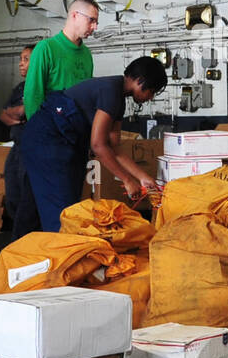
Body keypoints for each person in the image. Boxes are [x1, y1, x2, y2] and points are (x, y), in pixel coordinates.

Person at [23, 57, 166, 231]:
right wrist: (127, 180)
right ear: (140, 81)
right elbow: (98, 145)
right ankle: (61, 255)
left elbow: (114, 147)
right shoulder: (111, 91)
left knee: (34, 209)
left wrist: (143, 178)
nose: (150, 98)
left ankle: (26, 255)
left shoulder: (118, 99)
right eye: (151, 91)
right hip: (47, 140)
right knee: (62, 213)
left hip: (57, 142)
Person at [14, 0, 99, 234]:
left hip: (74, 138)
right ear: (74, 16)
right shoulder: (46, 49)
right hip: (47, 138)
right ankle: (20, 256)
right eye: (91, 20)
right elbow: (33, 96)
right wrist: (43, 137)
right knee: (45, 206)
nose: (94, 27)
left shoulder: (86, 55)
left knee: (60, 200)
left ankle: (39, 256)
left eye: (96, 22)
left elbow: (87, 100)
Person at [0, 44, 34, 236]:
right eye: (20, 59)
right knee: (12, 195)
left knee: (26, 199)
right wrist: (17, 114)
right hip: (16, 149)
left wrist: (17, 113)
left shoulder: (40, 85)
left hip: (31, 149)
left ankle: (23, 240)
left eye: (26, 59)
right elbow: (4, 116)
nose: (21, 64)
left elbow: (22, 111)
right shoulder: (19, 88)